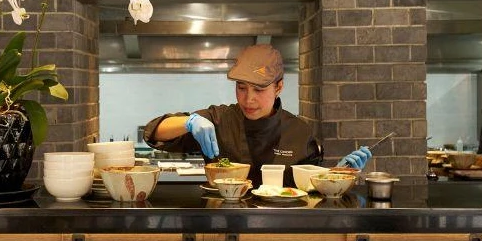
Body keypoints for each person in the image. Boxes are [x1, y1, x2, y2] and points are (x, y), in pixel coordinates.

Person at [142, 44, 373, 188]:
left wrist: (337, 175)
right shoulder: (220, 120)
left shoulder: (299, 131)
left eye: (259, 90)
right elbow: (153, 132)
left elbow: (312, 187)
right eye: (241, 87)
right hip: (221, 226)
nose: (248, 99)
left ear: (279, 87)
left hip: (279, 232)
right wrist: (188, 122)